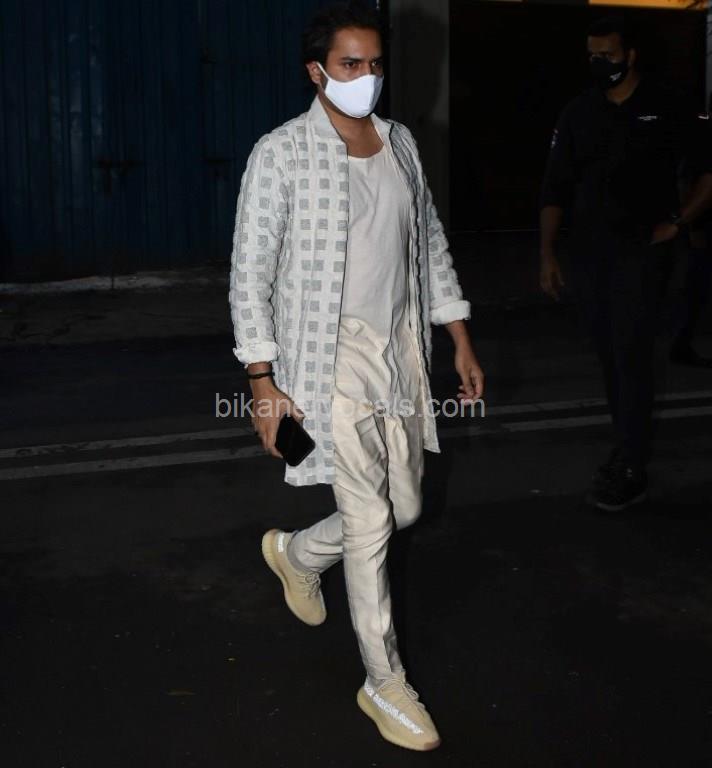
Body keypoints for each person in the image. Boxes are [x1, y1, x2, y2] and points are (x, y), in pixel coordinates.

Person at [229, 2, 483, 751]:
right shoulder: (281, 154)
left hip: (398, 351)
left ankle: (298, 554)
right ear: (317, 71)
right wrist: (262, 382)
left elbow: (427, 242)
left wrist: (458, 336)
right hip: (324, 358)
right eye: (350, 64)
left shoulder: (400, 143)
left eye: (374, 64)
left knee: (404, 507)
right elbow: (249, 275)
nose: (366, 77)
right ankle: (384, 681)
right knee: (370, 522)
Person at [539, 15, 712, 512]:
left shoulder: (667, 106)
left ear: (631, 55)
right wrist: (547, 253)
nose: (600, 63)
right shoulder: (579, 112)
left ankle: (632, 463)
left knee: (631, 354)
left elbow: (707, 175)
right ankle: (627, 444)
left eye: (609, 55)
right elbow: (555, 187)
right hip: (590, 255)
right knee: (611, 358)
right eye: (593, 55)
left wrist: (678, 223)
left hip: (642, 255)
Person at [670, 95, 712, 368]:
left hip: (701, 225)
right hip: (704, 227)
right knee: (697, 287)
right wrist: (690, 224)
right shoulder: (704, 139)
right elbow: (691, 181)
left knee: (697, 287)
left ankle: (682, 342)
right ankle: (681, 342)